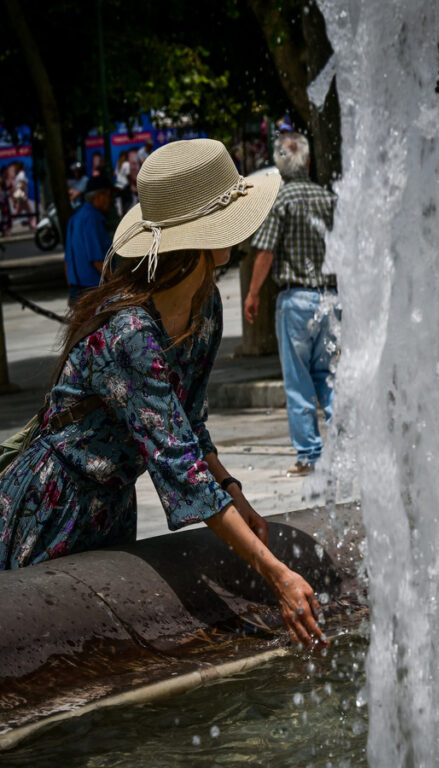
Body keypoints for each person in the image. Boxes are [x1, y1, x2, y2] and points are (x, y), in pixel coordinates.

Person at [0, 138, 326, 648]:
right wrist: (276, 575)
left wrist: (238, 497)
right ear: (196, 239)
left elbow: (189, 423)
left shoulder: (206, 305)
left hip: (111, 502)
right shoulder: (130, 333)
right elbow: (176, 463)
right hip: (56, 504)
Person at [245, 132, 337, 477]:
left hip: (296, 300)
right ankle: (350, 445)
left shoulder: (280, 200)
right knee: (327, 377)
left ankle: (310, 456)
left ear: (280, 165)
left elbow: (266, 251)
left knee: (298, 380)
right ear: (309, 162)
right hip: (329, 298)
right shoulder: (328, 198)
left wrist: (253, 293)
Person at [64, 175, 115, 303]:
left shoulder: (75, 218)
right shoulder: (92, 218)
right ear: (99, 196)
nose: (111, 201)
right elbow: (97, 259)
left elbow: (67, 260)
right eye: (109, 196)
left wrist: (71, 289)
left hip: (76, 290)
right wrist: (116, 285)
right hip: (93, 291)